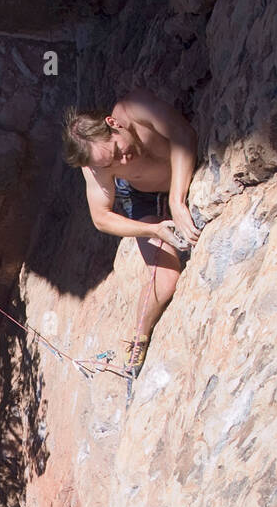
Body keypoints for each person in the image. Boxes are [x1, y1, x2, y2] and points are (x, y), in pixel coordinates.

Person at [62, 89, 200, 376]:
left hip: (170, 182)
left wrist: (177, 201)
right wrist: (152, 230)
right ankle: (139, 337)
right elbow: (101, 219)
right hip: (142, 197)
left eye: (116, 152)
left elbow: (182, 134)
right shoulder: (96, 166)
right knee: (164, 281)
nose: (121, 162)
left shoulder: (136, 108)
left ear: (113, 123)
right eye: (110, 164)